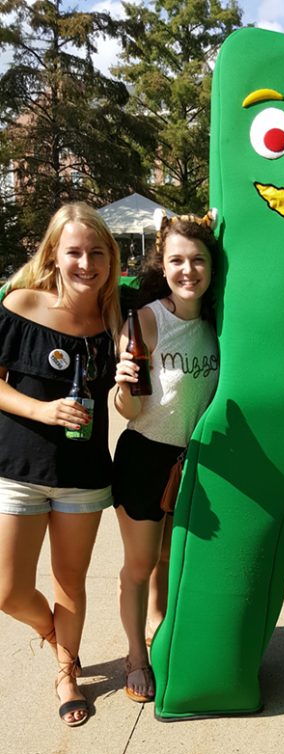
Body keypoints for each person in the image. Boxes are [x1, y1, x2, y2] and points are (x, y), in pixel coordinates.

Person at [0, 203, 121, 726]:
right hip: (19, 468)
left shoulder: (116, 317)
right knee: (7, 590)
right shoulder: (22, 303)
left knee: (70, 580)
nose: (86, 263)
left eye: (97, 253)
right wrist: (41, 409)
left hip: (83, 476)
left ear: (111, 259)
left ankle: (67, 671)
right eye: (75, 251)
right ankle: (53, 634)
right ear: (54, 254)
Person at [112, 214, 219, 703]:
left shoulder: (221, 320)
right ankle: (136, 656)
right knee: (138, 564)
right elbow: (128, 409)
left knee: (169, 557)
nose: (188, 269)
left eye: (198, 259)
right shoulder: (147, 321)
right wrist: (123, 382)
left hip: (196, 460)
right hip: (145, 456)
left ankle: (160, 621)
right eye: (177, 260)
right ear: (163, 263)